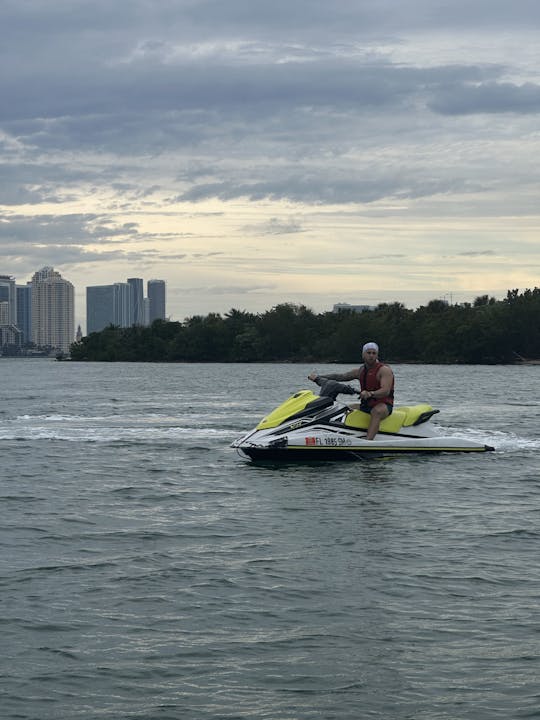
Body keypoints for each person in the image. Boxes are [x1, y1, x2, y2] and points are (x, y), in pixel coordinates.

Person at [308, 342, 394, 440]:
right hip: (366, 405)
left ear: (377, 355)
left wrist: (370, 393)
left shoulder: (384, 370)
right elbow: (340, 376)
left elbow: (385, 391)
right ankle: (337, 436)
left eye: (374, 353)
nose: (371, 356)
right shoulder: (360, 371)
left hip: (384, 405)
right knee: (343, 409)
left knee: (376, 411)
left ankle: (368, 441)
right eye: (368, 353)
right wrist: (318, 377)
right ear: (363, 355)